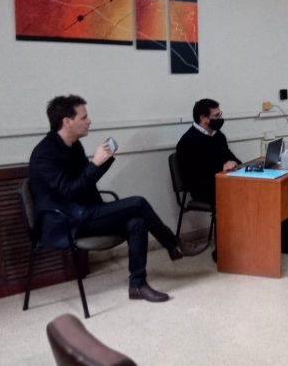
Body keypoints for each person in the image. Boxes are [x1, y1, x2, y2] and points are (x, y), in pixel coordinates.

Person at [29, 95, 207, 303]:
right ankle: (174, 244)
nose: (89, 121)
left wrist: (102, 162)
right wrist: (95, 164)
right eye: (84, 117)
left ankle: (137, 285)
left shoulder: (73, 145)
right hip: (66, 221)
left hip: (84, 211)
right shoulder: (44, 155)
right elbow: (69, 192)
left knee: (137, 222)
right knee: (138, 203)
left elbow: (83, 183)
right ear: (67, 121)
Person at [175, 99, 241, 206]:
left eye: (220, 114)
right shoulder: (187, 142)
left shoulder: (218, 135)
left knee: (251, 186)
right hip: (203, 189)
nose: (219, 118)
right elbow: (195, 174)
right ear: (203, 118)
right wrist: (222, 167)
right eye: (216, 116)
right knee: (242, 194)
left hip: (222, 181)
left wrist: (236, 163)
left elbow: (228, 155)